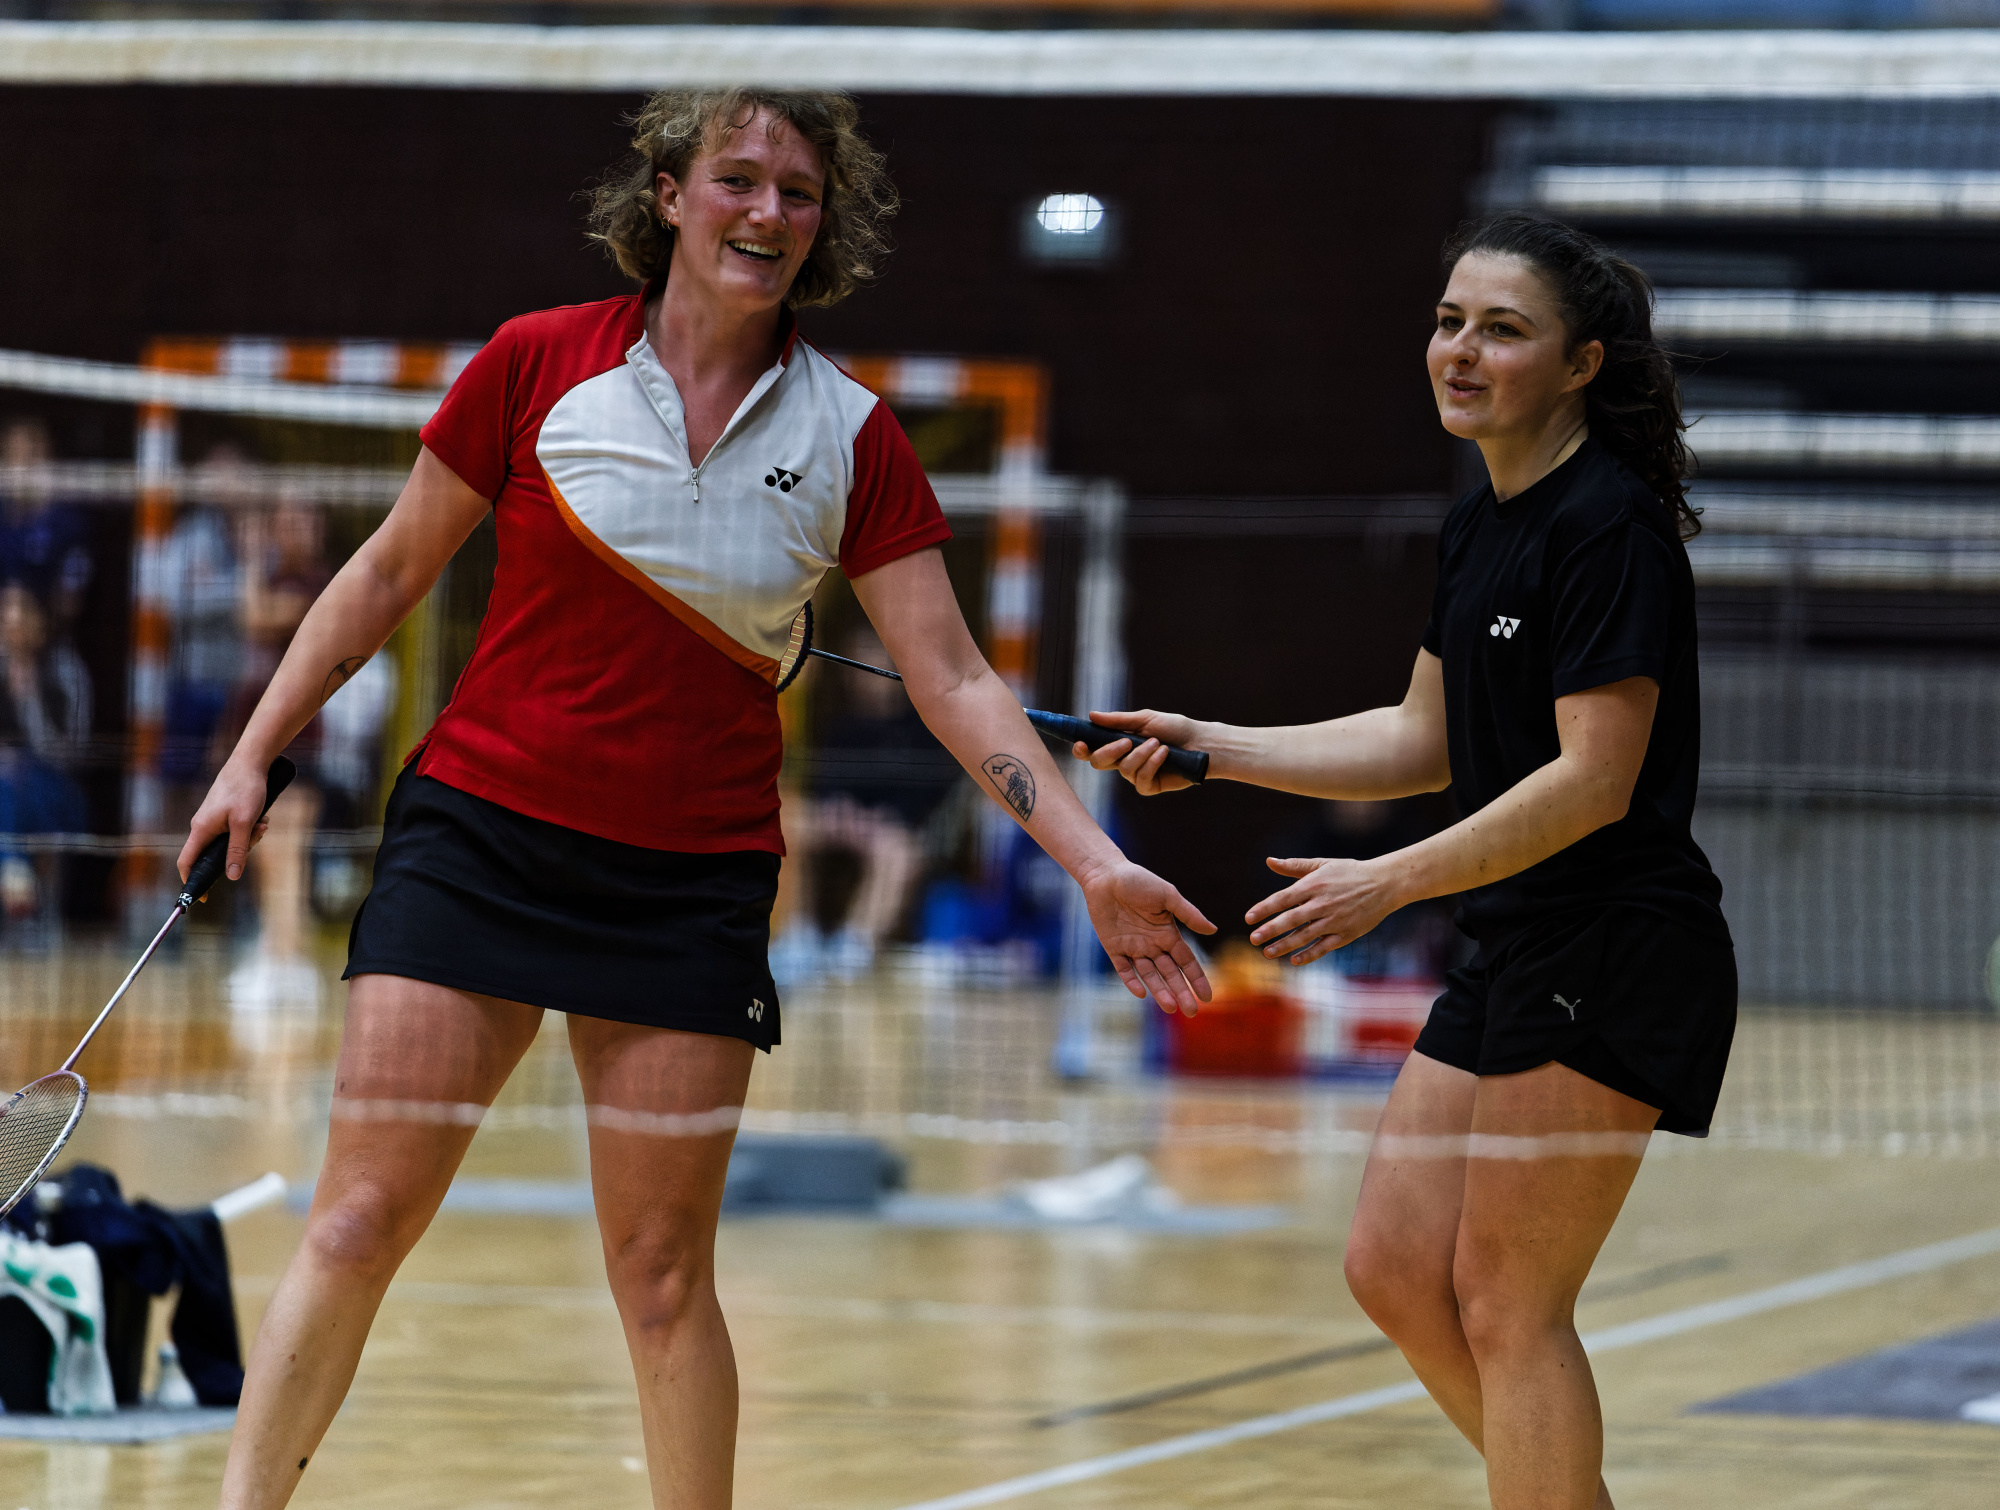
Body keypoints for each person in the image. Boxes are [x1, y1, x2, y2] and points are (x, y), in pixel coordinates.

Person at [183, 88, 1212, 1510]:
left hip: (686, 883)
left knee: (662, 1273)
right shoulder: (536, 363)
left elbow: (957, 678)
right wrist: (253, 752)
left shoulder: (853, 435)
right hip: (477, 837)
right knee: (356, 1215)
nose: (769, 212)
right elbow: (386, 571)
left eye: (799, 192)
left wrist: (1092, 862)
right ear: (668, 195)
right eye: (738, 178)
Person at [1075, 211, 1735, 1510]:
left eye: (1502, 329)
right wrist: (1214, 749)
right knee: (1390, 1266)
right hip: (1516, 940)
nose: (1461, 350)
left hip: (1614, 943)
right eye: (1448, 322)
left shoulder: (1608, 525)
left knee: (1507, 1300)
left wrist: (1392, 879)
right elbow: (1418, 737)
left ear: (1580, 364)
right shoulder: (1479, 522)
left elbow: (1594, 778)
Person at [772, 621, 961, 979]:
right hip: (843, 822)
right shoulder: (842, 725)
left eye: (872, 661)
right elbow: (823, 780)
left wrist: (885, 818)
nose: (863, 675)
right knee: (789, 823)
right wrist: (838, 807)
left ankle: (855, 946)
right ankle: (798, 936)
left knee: (897, 853)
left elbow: (931, 791)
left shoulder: (922, 727)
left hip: (891, 830)